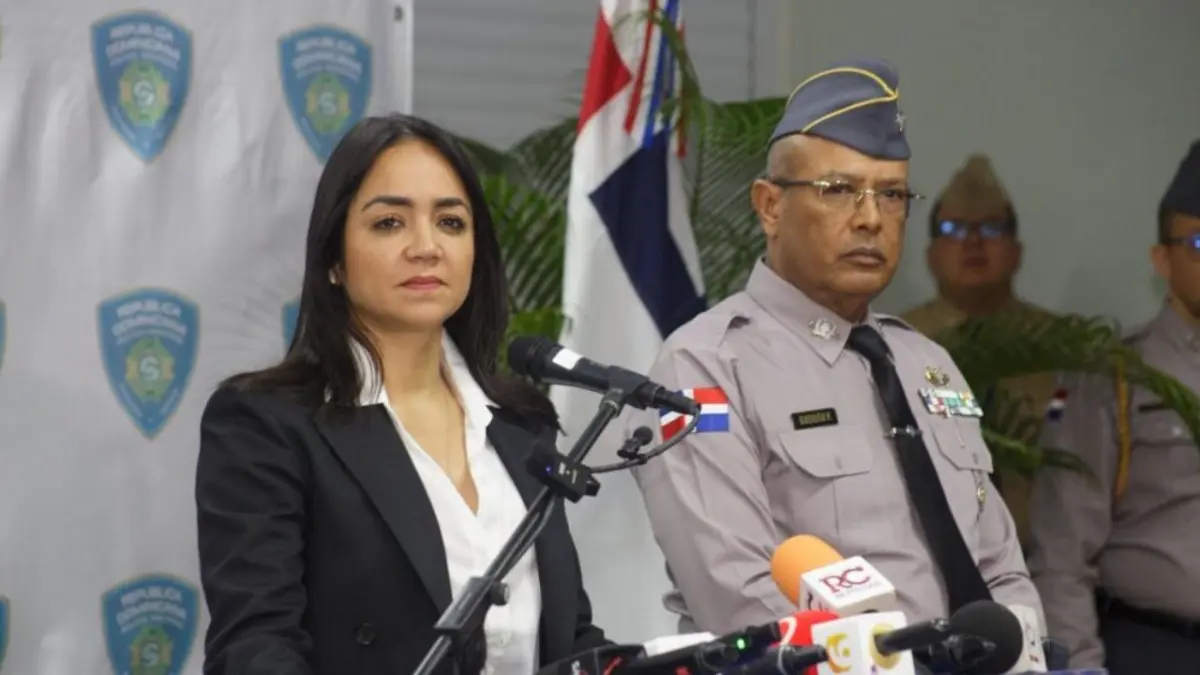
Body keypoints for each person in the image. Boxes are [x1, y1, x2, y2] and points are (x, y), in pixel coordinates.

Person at [627, 57, 1043, 637]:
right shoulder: (706, 367)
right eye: (839, 190)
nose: (871, 218)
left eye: (891, 194)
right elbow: (737, 597)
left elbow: (999, 566)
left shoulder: (926, 364)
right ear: (770, 206)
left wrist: (1021, 653)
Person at [195, 114, 608, 675]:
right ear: (334, 260)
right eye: (390, 223)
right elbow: (254, 646)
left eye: (451, 222)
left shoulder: (522, 422)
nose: (427, 247)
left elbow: (569, 634)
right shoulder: (264, 423)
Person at [1027, 140, 1200, 674]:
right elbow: (1061, 548)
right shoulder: (1114, 375)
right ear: (1161, 259)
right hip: (1157, 647)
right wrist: (1079, 666)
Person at [901, 154, 1056, 550]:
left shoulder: (1061, 347)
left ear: (1017, 253)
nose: (972, 242)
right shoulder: (897, 344)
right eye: (953, 229)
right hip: (925, 554)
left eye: (990, 228)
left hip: (1040, 557)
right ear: (931, 255)